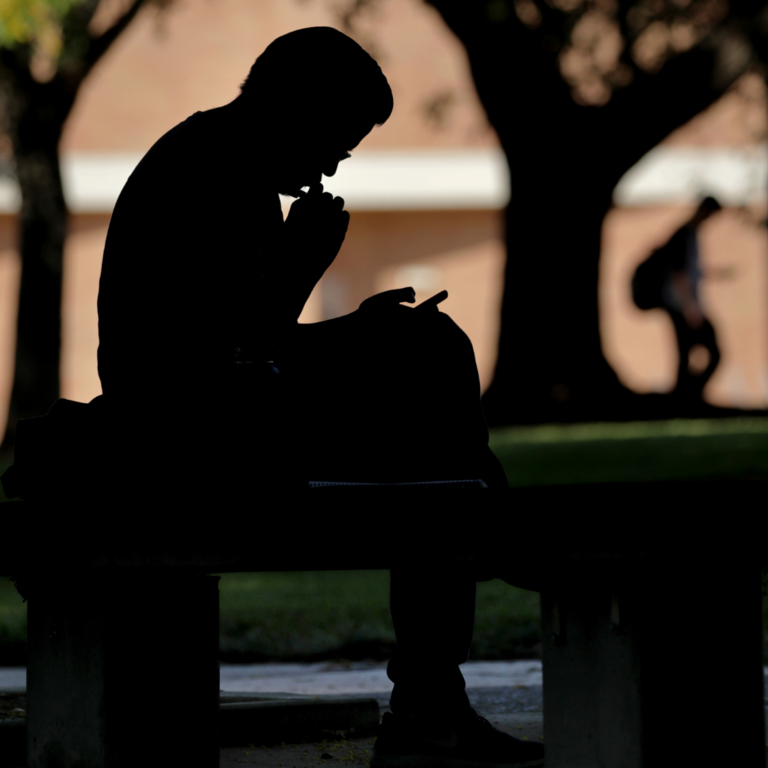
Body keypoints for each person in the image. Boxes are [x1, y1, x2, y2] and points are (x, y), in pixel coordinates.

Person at [96, 27, 543, 768]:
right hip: (187, 445)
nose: (336, 161)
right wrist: (309, 272)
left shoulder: (222, 162)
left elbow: (249, 346)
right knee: (431, 368)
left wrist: (345, 325)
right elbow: (232, 358)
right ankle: (478, 553)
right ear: (297, 108)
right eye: (339, 138)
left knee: (427, 382)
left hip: (212, 426)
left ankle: (477, 522)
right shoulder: (209, 173)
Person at [631, 197, 723, 399]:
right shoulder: (684, 235)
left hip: (682, 305)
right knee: (704, 351)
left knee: (688, 352)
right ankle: (686, 396)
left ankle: (686, 396)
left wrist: (717, 273)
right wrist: (690, 308)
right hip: (680, 305)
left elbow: (689, 271)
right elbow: (679, 275)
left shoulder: (689, 234)